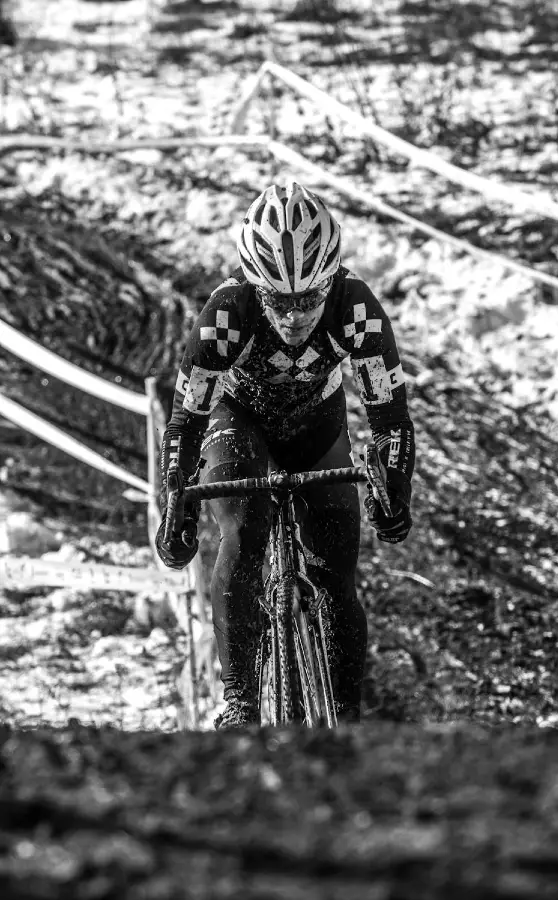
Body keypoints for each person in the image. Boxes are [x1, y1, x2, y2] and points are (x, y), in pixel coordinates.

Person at [155, 180, 416, 729]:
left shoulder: (355, 309)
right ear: (254, 283)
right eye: (279, 300)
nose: (295, 316)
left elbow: (389, 417)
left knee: (336, 571)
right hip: (238, 421)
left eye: (308, 298)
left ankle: (346, 723)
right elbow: (184, 420)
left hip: (316, 427)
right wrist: (173, 506)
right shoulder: (225, 315)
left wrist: (394, 491)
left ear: (331, 281)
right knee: (244, 531)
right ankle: (241, 700)